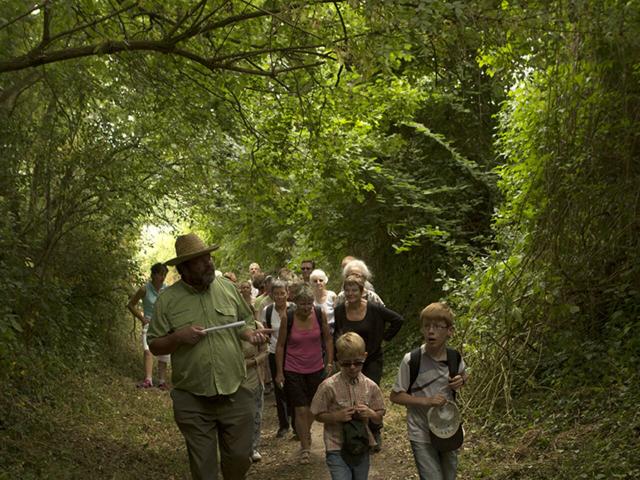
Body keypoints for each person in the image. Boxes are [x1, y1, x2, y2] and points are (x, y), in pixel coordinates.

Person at [147, 233, 271, 480]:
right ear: (183, 268)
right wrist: (178, 337)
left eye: (209, 258)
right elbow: (154, 345)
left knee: (239, 459)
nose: (209, 264)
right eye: (200, 260)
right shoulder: (168, 300)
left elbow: (243, 321)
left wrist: (249, 334)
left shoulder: (227, 288)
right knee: (204, 471)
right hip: (193, 399)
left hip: (235, 391)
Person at [390, 302, 468, 480]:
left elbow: (464, 375)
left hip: (448, 428)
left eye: (437, 327)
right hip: (420, 431)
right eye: (427, 326)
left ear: (449, 331)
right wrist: (426, 401)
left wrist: (461, 380)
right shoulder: (412, 360)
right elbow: (395, 395)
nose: (430, 331)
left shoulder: (454, 357)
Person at [311, 332, 385, 480]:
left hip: (361, 446)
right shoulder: (328, 386)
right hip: (336, 446)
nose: (352, 367)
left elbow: (379, 417)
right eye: (346, 363)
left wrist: (370, 413)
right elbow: (316, 413)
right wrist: (335, 416)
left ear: (364, 356)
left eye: (357, 363)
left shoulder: (370, 387)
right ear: (338, 359)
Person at [275, 283, 334, 464]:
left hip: (316, 368)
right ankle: (306, 447)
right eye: (302, 304)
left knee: (312, 409)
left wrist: (330, 362)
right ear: (296, 302)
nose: (306, 307)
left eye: (309, 303)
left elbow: (327, 338)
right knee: (300, 408)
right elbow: (280, 345)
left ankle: (304, 433)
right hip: (293, 369)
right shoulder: (288, 317)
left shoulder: (319, 313)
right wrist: (279, 372)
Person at [333, 275, 403, 385]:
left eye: (354, 290)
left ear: (362, 292)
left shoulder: (374, 309)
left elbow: (397, 320)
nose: (350, 293)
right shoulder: (339, 311)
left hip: (372, 358)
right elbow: (335, 335)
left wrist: (385, 337)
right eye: (347, 290)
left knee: (369, 391)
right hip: (349, 362)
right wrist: (336, 358)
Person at [260, 279, 295, 437]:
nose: (280, 297)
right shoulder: (267, 310)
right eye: (276, 294)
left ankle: (297, 424)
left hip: (294, 354)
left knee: (294, 388)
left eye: (283, 293)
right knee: (279, 388)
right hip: (275, 353)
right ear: (271, 295)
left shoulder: (294, 309)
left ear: (288, 293)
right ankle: (283, 424)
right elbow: (264, 330)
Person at [127, 262, 170, 389]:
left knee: (164, 352)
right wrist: (142, 318)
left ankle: (162, 381)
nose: (163, 278)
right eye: (160, 274)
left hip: (163, 324)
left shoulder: (167, 290)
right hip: (149, 323)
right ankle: (148, 379)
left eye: (164, 275)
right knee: (148, 350)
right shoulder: (144, 289)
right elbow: (130, 305)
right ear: (153, 274)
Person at [242, 320, 269, 463]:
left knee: (255, 413)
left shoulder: (257, 326)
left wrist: (253, 362)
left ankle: (253, 447)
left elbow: (265, 351)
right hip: (232, 378)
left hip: (254, 375)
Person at [310, 268, 338, 335]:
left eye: (321, 280)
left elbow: (338, 314)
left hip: (332, 328)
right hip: (316, 329)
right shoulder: (310, 298)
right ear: (311, 283)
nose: (318, 283)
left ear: (325, 281)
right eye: (315, 281)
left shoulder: (332, 295)